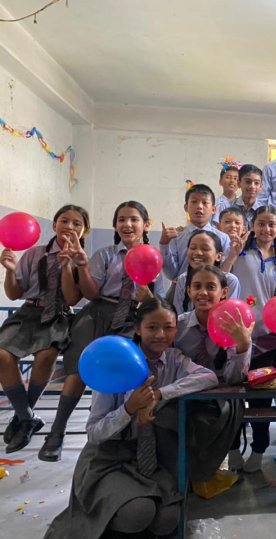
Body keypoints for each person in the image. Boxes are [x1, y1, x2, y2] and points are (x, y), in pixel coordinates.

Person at [44, 298, 218, 538]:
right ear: (138, 328)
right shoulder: (116, 361)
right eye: (152, 327)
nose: (160, 335)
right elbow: (95, 433)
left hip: (149, 457)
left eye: (168, 327)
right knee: (137, 513)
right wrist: (129, 409)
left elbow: (208, 377)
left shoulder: (174, 359)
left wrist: (160, 394)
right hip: (109, 458)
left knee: (168, 519)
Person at [39, 201, 164, 463]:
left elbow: (159, 303)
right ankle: (56, 433)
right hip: (97, 314)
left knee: (123, 374)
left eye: (133, 219)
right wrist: (82, 266)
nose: (127, 224)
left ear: (146, 225)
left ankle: (119, 435)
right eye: (121, 220)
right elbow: (91, 293)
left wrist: (148, 297)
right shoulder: (105, 255)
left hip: (131, 319)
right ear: (115, 225)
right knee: (78, 370)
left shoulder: (154, 259)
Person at [0, 205, 90, 453]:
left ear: (84, 231)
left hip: (58, 314)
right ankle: (27, 417)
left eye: (77, 224)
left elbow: (72, 299)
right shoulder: (34, 254)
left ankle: (22, 417)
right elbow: (14, 293)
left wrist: (66, 266)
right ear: (54, 224)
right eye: (64, 221)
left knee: (47, 354)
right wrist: (10, 271)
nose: (69, 227)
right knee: (2, 355)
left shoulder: (82, 260)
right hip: (29, 312)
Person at [222, 206, 276, 473]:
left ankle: (259, 450)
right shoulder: (240, 252)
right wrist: (231, 254)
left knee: (262, 399)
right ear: (252, 225)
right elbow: (222, 278)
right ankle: (232, 449)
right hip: (237, 334)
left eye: (271, 224)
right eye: (261, 223)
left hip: (268, 340)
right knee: (234, 396)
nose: (266, 229)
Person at [173, 264, 253, 484]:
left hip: (221, 394)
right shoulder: (177, 326)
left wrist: (243, 345)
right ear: (188, 291)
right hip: (184, 392)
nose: (203, 292)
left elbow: (235, 379)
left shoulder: (234, 325)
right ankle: (181, 473)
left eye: (210, 287)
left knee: (209, 420)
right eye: (197, 286)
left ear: (224, 292)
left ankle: (203, 473)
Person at [160, 183, 231, 281]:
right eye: (194, 202)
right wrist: (164, 245)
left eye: (205, 203)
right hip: (182, 288)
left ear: (213, 209)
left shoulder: (223, 238)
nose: (199, 206)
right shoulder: (176, 237)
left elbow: (225, 273)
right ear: (186, 207)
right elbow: (171, 274)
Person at [169, 229, 240, 316]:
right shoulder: (183, 279)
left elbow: (229, 316)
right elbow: (178, 316)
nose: (198, 252)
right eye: (193, 248)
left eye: (205, 249)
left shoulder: (230, 281)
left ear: (218, 256)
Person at [232, 163, 265, 228]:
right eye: (248, 182)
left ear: (261, 186)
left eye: (256, 183)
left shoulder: (265, 210)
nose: (252, 186)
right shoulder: (229, 207)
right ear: (239, 183)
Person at [212, 159, 241, 225]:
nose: (232, 181)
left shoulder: (242, 204)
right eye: (228, 177)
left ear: (239, 183)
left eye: (235, 178)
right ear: (220, 181)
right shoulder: (215, 203)